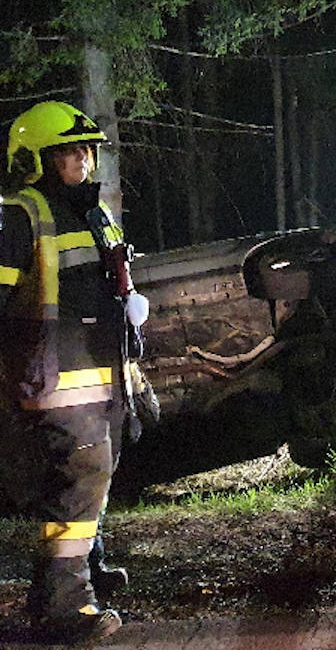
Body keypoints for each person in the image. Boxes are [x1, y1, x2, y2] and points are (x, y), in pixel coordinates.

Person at [0, 101, 147, 643]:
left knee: (93, 476)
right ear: (36, 160)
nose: (82, 162)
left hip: (101, 371)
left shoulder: (92, 211)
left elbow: (107, 279)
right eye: (68, 152)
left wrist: (133, 303)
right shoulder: (21, 213)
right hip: (58, 377)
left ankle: (75, 574)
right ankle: (65, 606)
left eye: (87, 151)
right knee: (82, 478)